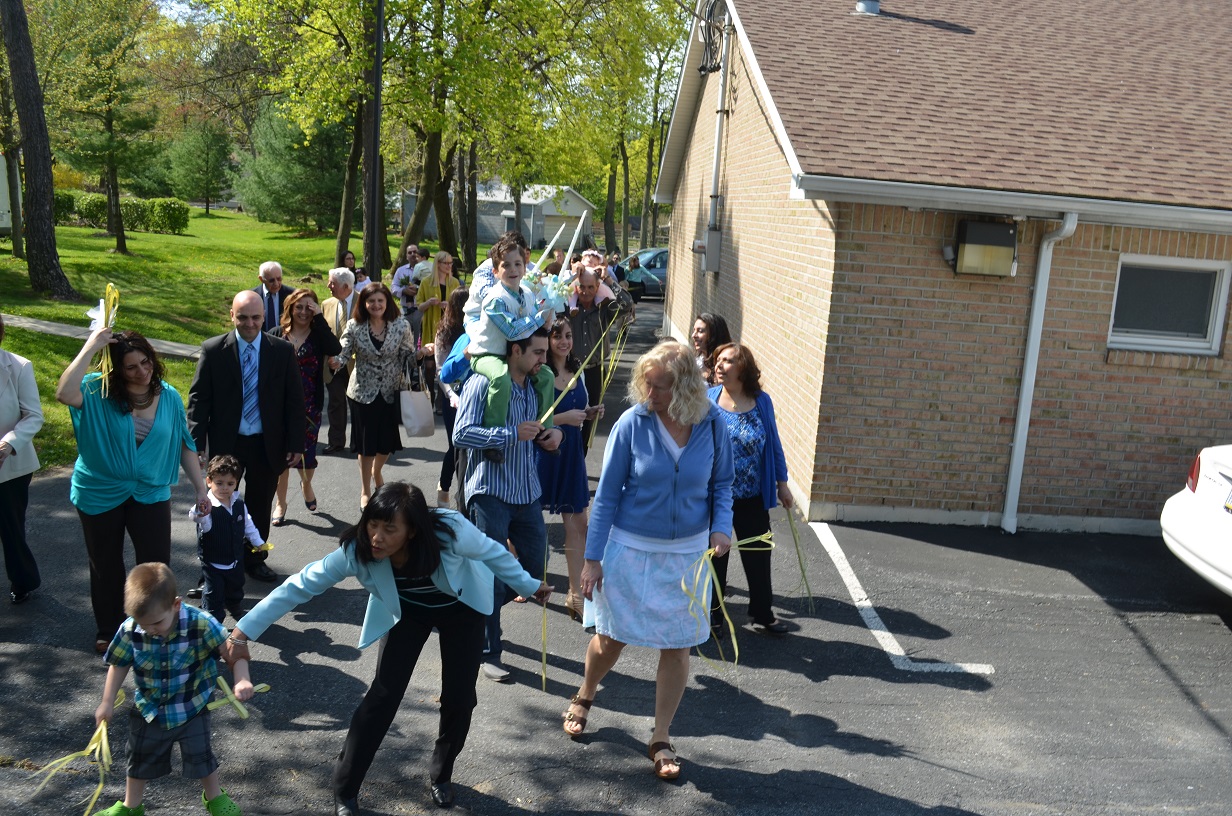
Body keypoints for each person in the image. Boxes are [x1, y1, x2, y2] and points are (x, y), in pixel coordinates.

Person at [221, 483, 551, 813]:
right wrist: (242, 632)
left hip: (461, 609)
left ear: (411, 531)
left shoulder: (449, 531)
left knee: (460, 698)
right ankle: (345, 789)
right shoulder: (358, 549)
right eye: (372, 525)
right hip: (406, 611)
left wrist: (530, 585)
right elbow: (300, 585)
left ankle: (441, 773)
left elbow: (493, 553)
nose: (377, 537)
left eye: (389, 529)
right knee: (383, 695)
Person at [561, 339, 733, 781]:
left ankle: (661, 735)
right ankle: (585, 692)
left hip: (687, 556)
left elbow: (722, 485)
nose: (650, 394)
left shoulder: (712, 424)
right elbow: (606, 498)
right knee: (611, 638)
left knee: (676, 647)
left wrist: (720, 526)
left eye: (660, 387)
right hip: (630, 550)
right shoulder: (631, 424)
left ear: (686, 388)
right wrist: (592, 559)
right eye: (647, 385)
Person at [57, 328, 210, 654]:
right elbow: (63, 393)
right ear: (115, 370)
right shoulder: (94, 390)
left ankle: (159, 624)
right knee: (105, 563)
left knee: (157, 565)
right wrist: (91, 345)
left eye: (146, 362)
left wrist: (200, 490)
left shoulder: (168, 396)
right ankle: (110, 628)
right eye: (131, 367)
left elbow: (185, 444)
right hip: (99, 489)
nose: (142, 371)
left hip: (150, 490)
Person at [94, 562, 254, 816]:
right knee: (139, 759)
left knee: (201, 757)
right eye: (142, 623)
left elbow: (233, 653)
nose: (150, 630)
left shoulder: (200, 624)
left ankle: (214, 798)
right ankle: (131, 806)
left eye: (156, 622)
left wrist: (242, 679)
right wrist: (106, 701)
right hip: (150, 709)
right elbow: (119, 663)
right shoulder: (131, 629)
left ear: (176, 604)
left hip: (193, 706)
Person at [453, 328, 563, 682]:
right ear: (515, 350)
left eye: (545, 353)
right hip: (489, 491)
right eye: (538, 353)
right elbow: (461, 434)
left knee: (534, 568)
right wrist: (510, 434)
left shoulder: (534, 385)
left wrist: (551, 438)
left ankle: (469, 614)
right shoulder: (482, 384)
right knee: (491, 574)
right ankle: (488, 652)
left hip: (527, 491)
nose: (544, 361)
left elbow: (540, 430)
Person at [189, 291, 306, 585]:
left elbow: (294, 400)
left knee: (260, 502)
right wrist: (196, 443)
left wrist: (296, 443)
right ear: (232, 316)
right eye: (242, 317)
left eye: (255, 317)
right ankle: (214, 565)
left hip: (267, 441)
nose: (250, 323)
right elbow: (198, 400)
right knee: (217, 504)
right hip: (227, 442)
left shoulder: (281, 350)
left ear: (264, 317)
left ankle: (254, 559)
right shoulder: (214, 349)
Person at [707, 343, 793, 636]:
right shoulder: (708, 399)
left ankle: (762, 613)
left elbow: (774, 446)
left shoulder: (762, 402)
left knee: (759, 553)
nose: (720, 365)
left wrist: (783, 485)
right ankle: (713, 617)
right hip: (715, 497)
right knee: (715, 556)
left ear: (743, 368)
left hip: (752, 495)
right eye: (718, 360)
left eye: (728, 361)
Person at [330, 284, 418, 508]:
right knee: (366, 444)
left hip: (390, 391)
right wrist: (337, 362)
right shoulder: (355, 325)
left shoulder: (401, 325)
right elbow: (344, 351)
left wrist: (422, 353)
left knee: (386, 443)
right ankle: (366, 489)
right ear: (364, 304)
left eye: (380, 301)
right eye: (371, 301)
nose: (376, 305)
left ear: (387, 302)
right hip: (362, 392)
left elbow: (408, 354)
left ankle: (375, 471)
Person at [536, 320, 601, 622]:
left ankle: (575, 593)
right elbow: (534, 417)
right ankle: (526, 579)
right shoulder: (540, 372)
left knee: (578, 524)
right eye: (557, 336)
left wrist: (588, 413)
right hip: (542, 451)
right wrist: (564, 417)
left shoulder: (580, 371)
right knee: (527, 519)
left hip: (571, 453)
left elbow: (579, 412)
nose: (563, 341)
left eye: (568, 336)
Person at [465, 235, 555, 443]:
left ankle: (544, 428)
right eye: (506, 265)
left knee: (547, 376)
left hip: (513, 355)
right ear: (495, 272)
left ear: (525, 267)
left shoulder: (528, 294)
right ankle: (494, 435)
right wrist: (538, 318)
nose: (513, 269)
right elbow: (513, 332)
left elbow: (534, 327)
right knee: (500, 378)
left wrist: (547, 319)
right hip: (487, 354)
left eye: (518, 264)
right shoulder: (494, 299)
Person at [273, 288, 342, 524]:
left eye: (308, 307)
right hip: (279, 407)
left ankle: (306, 484)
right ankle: (280, 504)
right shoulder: (276, 334)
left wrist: (319, 317)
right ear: (290, 308)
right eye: (298, 306)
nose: (303, 311)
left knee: (307, 457)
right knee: (282, 458)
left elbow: (335, 348)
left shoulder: (318, 336)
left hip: (309, 407)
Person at [189, 455, 265, 625]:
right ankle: (213, 622)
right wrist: (200, 513)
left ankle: (234, 603)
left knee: (236, 585)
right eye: (219, 483)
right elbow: (199, 519)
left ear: (236, 482)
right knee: (213, 593)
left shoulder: (239, 504)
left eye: (230, 484)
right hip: (213, 562)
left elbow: (248, 524)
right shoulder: (207, 507)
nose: (225, 488)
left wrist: (258, 542)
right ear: (209, 481)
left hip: (235, 559)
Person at [0, 314, 43, 605]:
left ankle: (23, 580)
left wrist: (7, 445)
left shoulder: (18, 366)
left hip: (11, 465)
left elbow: (34, 415)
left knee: (11, 526)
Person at [568, 266, 633, 452]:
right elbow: (548, 296)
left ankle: (582, 455)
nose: (586, 292)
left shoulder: (604, 307)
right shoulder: (567, 307)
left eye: (591, 287)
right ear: (576, 287)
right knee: (570, 412)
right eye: (582, 286)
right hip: (570, 370)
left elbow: (627, 304)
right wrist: (572, 276)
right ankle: (569, 455)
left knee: (591, 416)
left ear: (597, 287)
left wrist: (609, 281)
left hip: (595, 370)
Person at [434, 287, 470, 509]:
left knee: (468, 445)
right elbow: (441, 370)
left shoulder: (477, 329)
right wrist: (451, 395)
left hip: (471, 392)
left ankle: (464, 493)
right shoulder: (444, 332)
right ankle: (445, 486)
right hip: (452, 395)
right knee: (454, 444)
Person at [416, 251, 460, 406]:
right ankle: (430, 396)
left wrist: (449, 306)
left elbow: (460, 306)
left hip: (448, 328)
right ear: (438, 264)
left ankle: (443, 399)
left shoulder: (454, 282)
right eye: (446, 263)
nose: (449, 266)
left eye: (450, 263)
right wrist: (428, 303)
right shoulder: (426, 282)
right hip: (430, 326)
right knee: (430, 366)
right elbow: (419, 306)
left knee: (445, 365)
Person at [322, 268, 358, 454]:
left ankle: (357, 443)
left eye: (332, 283)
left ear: (345, 286)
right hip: (333, 364)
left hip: (357, 365)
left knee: (356, 403)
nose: (329, 285)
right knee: (335, 402)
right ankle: (336, 441)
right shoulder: (326, 304)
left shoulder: (365, 302)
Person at [690, 313, 732, 385]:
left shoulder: (728, 367)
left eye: (700, 331)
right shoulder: (693, 362)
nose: (693, 335)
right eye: (694, 330)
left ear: (714, 335)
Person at [254, 260, 296, 333]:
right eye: (271, 280)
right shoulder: (252, 297)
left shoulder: (292, 294)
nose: (276, 284)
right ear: (261, 279)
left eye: (279, 279)